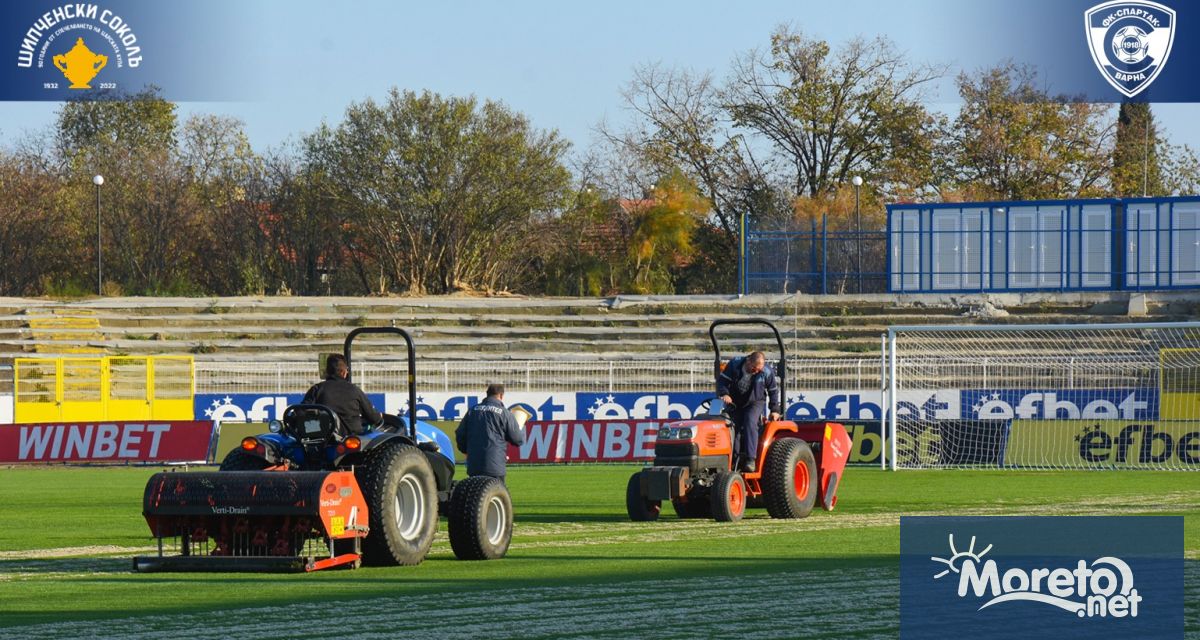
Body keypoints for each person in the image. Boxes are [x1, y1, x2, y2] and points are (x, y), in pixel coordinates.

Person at [716, 351, 781, 473]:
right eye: (754, 369)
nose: (756, 371)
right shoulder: (734, 365)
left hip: (755, 401)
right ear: (748, 361)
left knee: (750, 421)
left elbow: (773, 391)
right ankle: (734, 459)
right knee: (730, 425)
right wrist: (724, 393)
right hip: (736, 401)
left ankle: (751, 459)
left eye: (759, 370)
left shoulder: (766, 372)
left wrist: (775, 410)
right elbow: (722, 382)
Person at [456, 383, 526, 480]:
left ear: (487, 394)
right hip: (495, 466)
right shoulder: (504, 413)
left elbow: (460, 433)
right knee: (495, 494)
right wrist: (520, 428)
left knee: (475, 494)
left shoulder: (472, 411)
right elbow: (517, 440)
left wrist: (465, 450)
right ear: (501, 395)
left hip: (474, 465)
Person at [302, 353, 383, 435]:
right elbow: (373, 417)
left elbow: (302, 411)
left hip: (323, 438)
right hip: (352, 438)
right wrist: (379, 417)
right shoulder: (354, 390)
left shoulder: (317, 389)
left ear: (327, 371)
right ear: (344, 372)